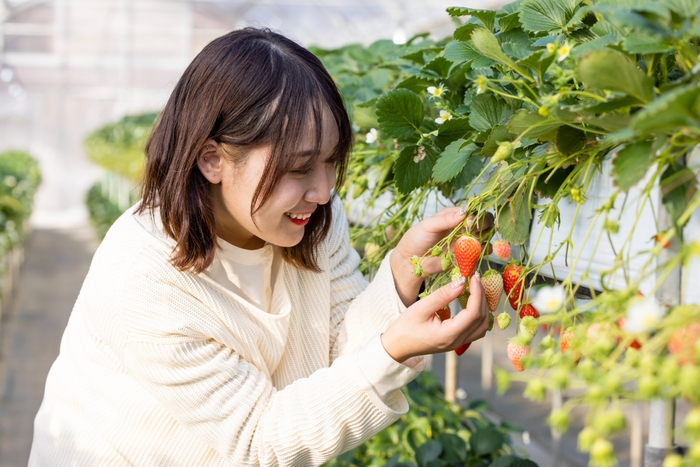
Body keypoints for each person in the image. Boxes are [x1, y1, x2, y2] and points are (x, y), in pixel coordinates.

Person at [29, 27, 490, 466]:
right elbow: (260, 439)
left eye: (331, 161)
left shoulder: (309, 220)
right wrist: (391, 352)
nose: (324, 190)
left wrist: (401, 275)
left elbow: (338, 347)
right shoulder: (144, 278)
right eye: (299, 168)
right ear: (213, 159)